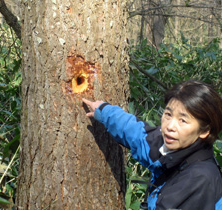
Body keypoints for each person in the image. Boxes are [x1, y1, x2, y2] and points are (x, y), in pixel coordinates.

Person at [82, 80, 222, 210]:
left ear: (204, 131)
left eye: (183, 121)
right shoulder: (175, 148)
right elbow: (138, 136)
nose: (170, 126)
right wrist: (105, 112)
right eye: (168, 114)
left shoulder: (199, 179)